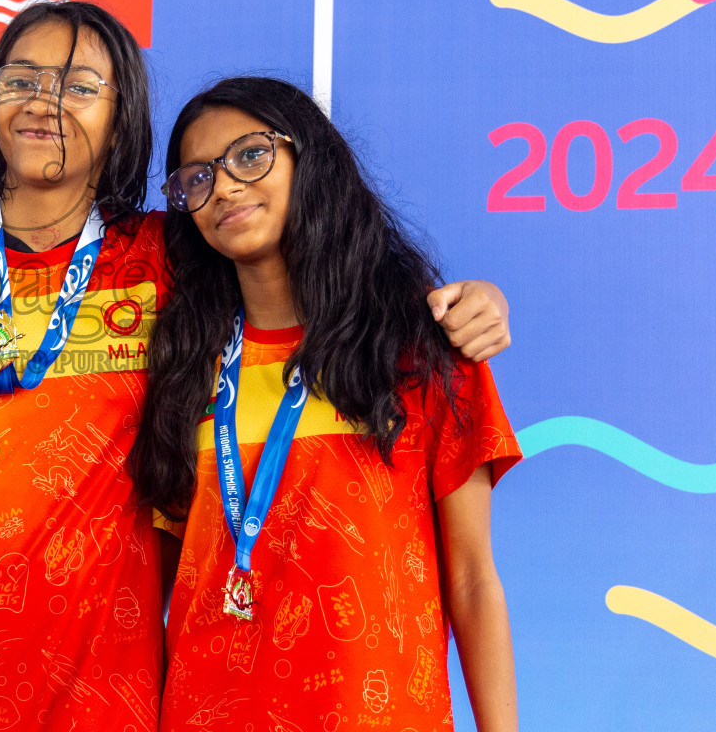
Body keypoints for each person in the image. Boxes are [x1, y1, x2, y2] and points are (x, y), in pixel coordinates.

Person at [0, 2, 511, 730]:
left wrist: (463, 302)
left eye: (80, 86)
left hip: (109, 694)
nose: (46, 102)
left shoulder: (171, 254)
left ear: (123, 120)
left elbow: (302, 267)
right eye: (22, 78)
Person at [131, 77, 520, 731]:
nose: (223, 187)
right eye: (195, 179)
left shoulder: (418, 345)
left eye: (249, 156)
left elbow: (474, 580)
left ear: (308, 157)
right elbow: (160, 589)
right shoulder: (181, 368)